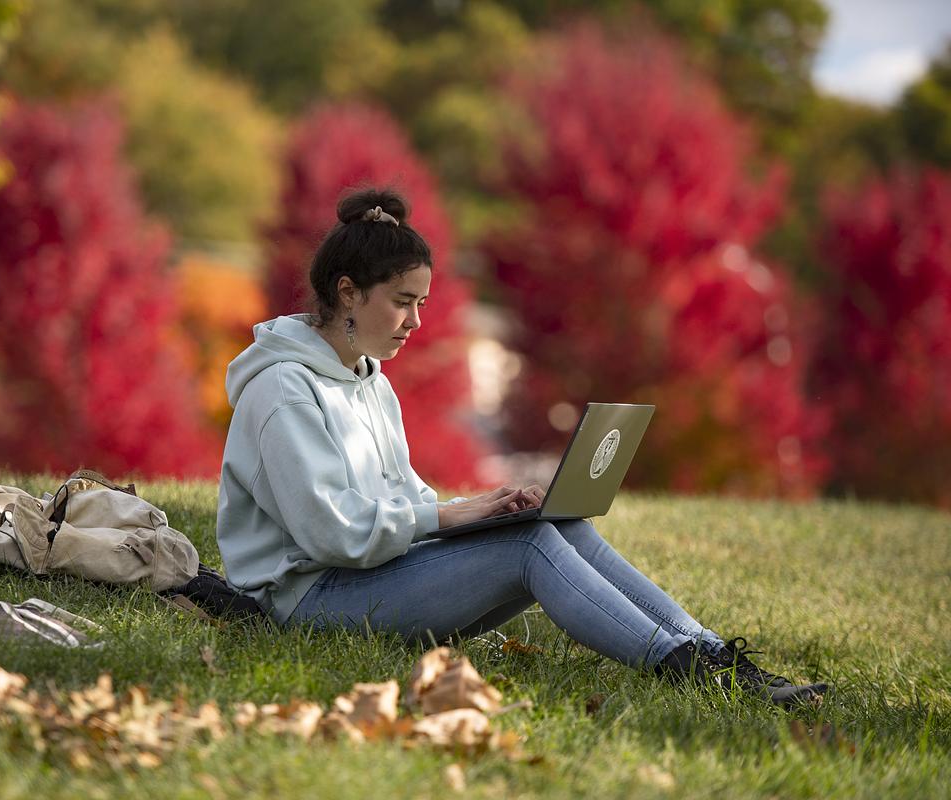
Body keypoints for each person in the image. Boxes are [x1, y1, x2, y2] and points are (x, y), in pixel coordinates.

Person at [216, 187, 827, 708]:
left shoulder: (369, 379)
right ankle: (684, 670)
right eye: (402, 302)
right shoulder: (282, 390)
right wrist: (452, 516)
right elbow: (333, 534)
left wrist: (482, 509)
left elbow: (401, 501)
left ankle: (714, 657)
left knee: (561, 525)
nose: (416, 322)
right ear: (348, 293)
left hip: (369, 577)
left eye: (421, 304)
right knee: (530, 545)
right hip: (311, 599)